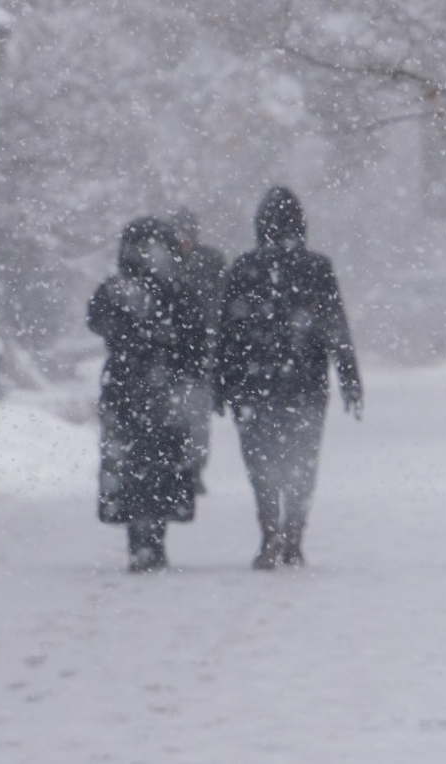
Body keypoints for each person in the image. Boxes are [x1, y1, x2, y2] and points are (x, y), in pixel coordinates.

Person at [213, 186, 363, 570]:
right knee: (302, 461)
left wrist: (221, 384)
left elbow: (227, 333)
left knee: (261, 462)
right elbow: (335, 328)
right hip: (305, 384)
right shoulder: (317, 267)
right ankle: (294, 536)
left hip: (254, 385)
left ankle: (269, 533)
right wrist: (349, 379)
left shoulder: (244, 268)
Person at [88, 217, 207, 572]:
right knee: (162, 463)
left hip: (126, 387)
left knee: (131, 463)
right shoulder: (178, 289)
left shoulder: (117, 288)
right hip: (164, 390)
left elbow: (96, 321)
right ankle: (153, 535)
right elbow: (195, 339)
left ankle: (139, 538)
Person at [169, 207, 227, 493]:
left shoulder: (210, 262)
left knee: (197, 419)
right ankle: (177, 466)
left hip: (199, 355)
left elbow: (221, 304)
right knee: (176, 416)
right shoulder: (165, 266)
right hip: (173, 357)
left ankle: (192, 469)